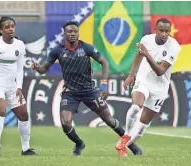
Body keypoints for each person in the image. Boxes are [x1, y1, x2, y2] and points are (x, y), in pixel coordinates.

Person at [31, 21, 142, 156]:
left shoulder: (86, 48)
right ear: (64, 33)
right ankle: (79, 143)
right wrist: (38, 68)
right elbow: (44, 69)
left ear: (78, 33)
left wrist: (104, 84)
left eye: (75, 31)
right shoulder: (57, 50)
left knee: (109, 120)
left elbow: (104, 62)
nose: (72, 34)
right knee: (65, 123)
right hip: (70, 93)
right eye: (69, 31)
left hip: (89, 91)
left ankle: (132, 146)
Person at [115, 18, 181, 158]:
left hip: (160, 87)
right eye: (161, 30)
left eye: (167, 31)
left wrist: (147, 54)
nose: (164, 34)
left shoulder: (174, 47)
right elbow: (139, 55)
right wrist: (131, 75)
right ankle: (125, 136)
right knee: (135, 107)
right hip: (143, 80)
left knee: (142, 125)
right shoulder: (146, 40)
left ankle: (123, 145)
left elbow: (160, 71)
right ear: (155, 30)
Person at [0, 16, 37, 157]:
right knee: (2, 110)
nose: (11, 29)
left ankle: (26, 149)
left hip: (12, 86)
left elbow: (19, 69)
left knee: (24, 115)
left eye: (12, 26)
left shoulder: (20, 45)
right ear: (0, 30)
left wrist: (19, 87)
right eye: (7, 27)